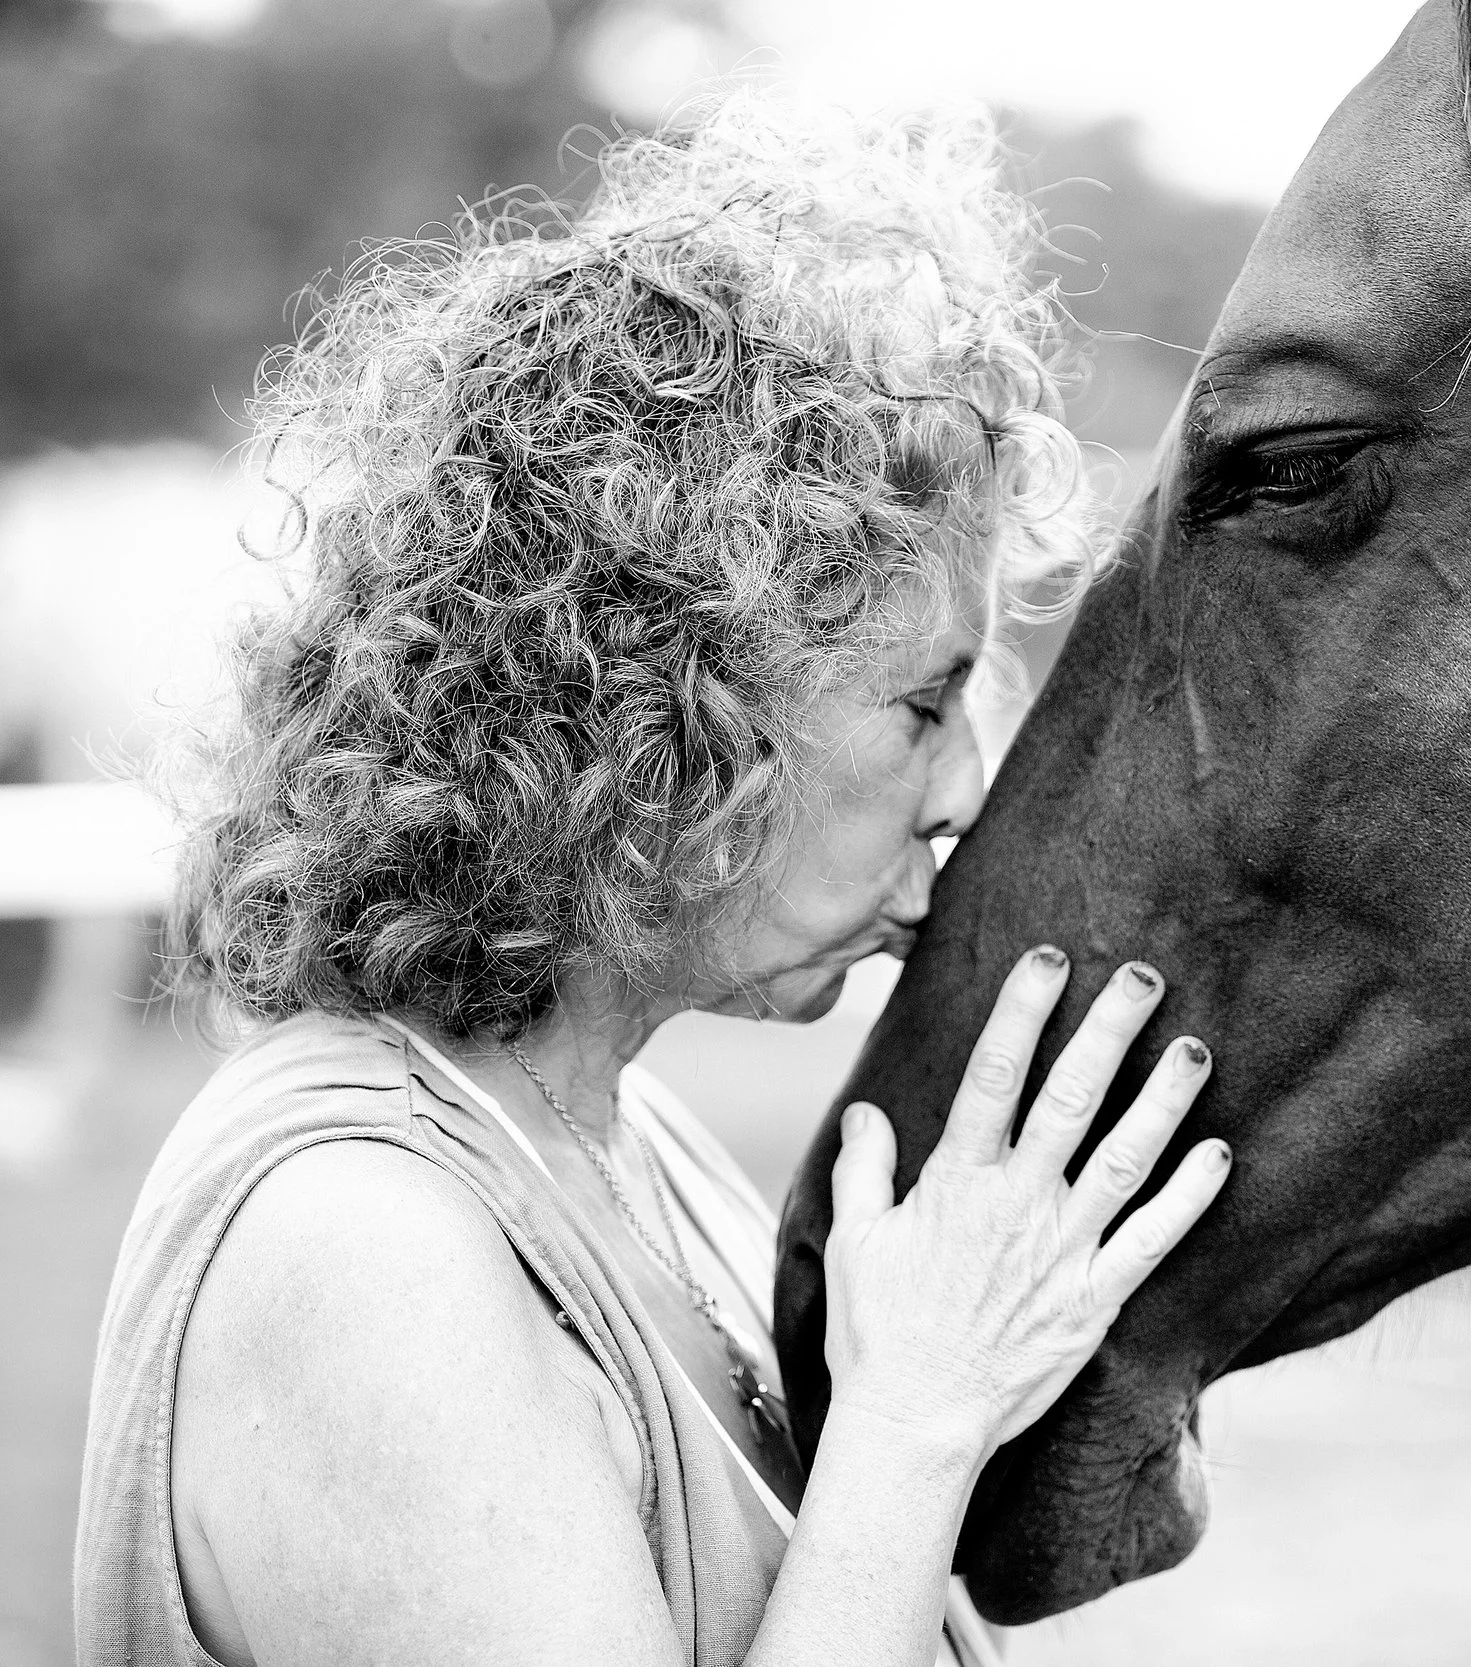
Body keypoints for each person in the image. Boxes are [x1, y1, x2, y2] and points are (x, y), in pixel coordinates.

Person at [74, 92, 1231, 1667]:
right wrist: (920, 1410)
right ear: (679, 707)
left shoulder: (627, 1143)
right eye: (922, 700)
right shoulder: (360, 1250)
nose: (965, 787)